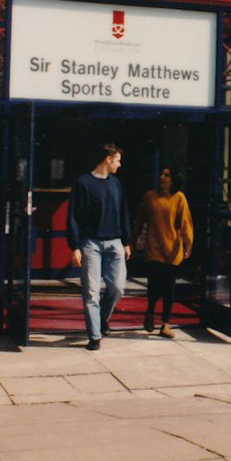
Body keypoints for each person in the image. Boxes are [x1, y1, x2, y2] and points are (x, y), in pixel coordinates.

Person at [67, 142, 131, 350]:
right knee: (91, 292)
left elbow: (123, 213)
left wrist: (127, 241)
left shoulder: (116, 184)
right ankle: (94, 336)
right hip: (90, 243)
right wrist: (74, 246)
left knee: (118, 287)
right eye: (118, 160)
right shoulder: (83, 183)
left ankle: (102, 318)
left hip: (115, 242)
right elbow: (73, 216)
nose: (120, 165)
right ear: (108, 159)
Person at [133, 165, 193, 338]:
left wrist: (188, 244)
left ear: (173, 179)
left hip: (172, 250)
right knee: (153, 285)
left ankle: (165, 324)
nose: (162, 177)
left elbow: (185, 223)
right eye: (161, 174)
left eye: (166, 175)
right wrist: (133, 241)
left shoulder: (179, 198)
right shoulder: (150, 197)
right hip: (154, 248)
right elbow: (139, 221)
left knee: (169, 288)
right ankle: (150, 312)